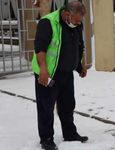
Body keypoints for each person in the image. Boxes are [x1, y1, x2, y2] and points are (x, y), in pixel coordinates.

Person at [32, 1, 88, 150]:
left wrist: (79, 66)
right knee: (46, 107)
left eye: (80, 21)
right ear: (67, 14)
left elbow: (78, 45)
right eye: (76, 20)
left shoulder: (76, 24)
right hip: (48, 73)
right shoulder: (48, 23)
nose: (78, 23)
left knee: (68, 105)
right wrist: (43, 69)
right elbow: (40, 48)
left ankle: (70, 133)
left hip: (66, 73)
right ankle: (46, 138)